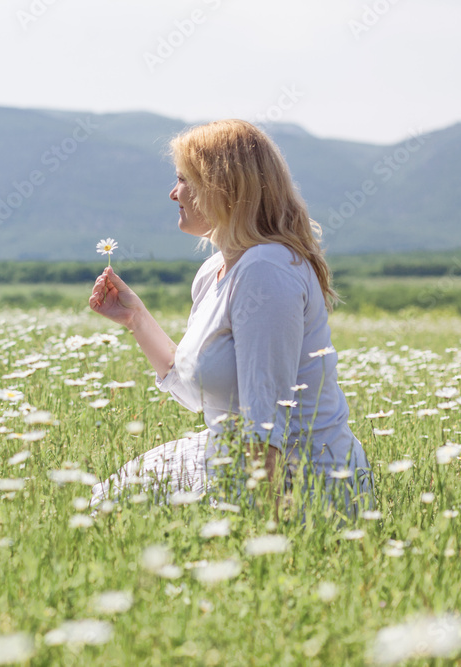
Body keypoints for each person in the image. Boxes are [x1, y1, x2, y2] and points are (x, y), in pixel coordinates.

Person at [89, 119, 372, 513]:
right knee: (105, 503)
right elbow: (195, 390)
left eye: (183, 180)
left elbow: (266, 427)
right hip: (236, 455)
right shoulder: (216, 271)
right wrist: (135, 318)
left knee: (122, 514)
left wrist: (262, 544)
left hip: (299, 479)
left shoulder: (265, 271)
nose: (173, 194)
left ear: (221, 187)